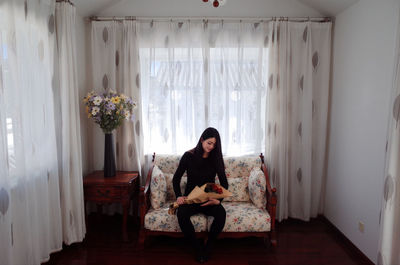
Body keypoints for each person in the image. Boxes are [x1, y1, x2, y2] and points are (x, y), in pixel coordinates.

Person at [173, 127, 228, 263]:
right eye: (209, 143)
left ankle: (208, 247)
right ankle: (197, 248)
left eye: (214, 144)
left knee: (221, 214)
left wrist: (218, 201)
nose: (211, 147)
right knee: (181, 214)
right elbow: (176, 178)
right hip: (191, 199)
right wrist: (179, 196)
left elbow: (224, 184)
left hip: (208, 199)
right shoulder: (188, 156)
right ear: (202, 139)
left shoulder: (215, 158)